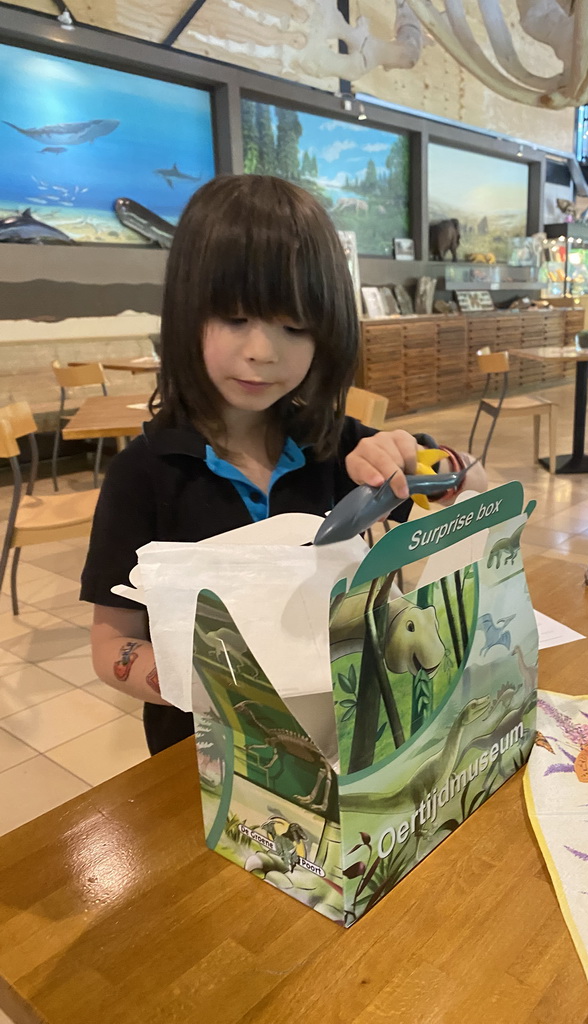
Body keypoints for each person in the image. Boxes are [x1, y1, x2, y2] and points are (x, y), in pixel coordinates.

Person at [81, 174, 486, 756]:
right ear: (187, 312)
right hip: (202, 759)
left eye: (294, 327)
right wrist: (217, 688)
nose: (263, 352)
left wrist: (426, 463)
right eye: (235, 318)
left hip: (340, 739)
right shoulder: (145, 473)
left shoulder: (335, 446)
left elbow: (474, 476)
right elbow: (110, 647)